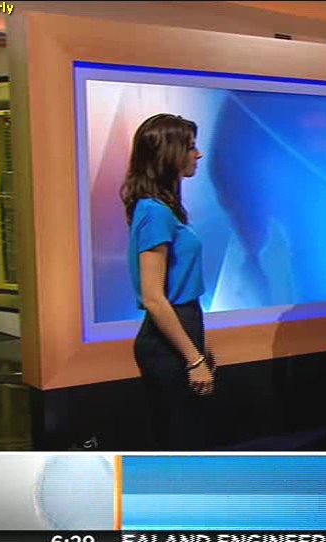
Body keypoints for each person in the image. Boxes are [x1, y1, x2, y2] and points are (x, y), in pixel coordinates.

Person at [121, 113, 217, 450]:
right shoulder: (154, 212)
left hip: (183, 326)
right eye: (190, 147)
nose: (198, 154)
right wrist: (194, 359)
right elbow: (154, 297)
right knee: (178, 438)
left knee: (190, 435)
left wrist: (200, 347)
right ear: (167, 153)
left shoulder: (163, 208)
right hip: (166, 340)